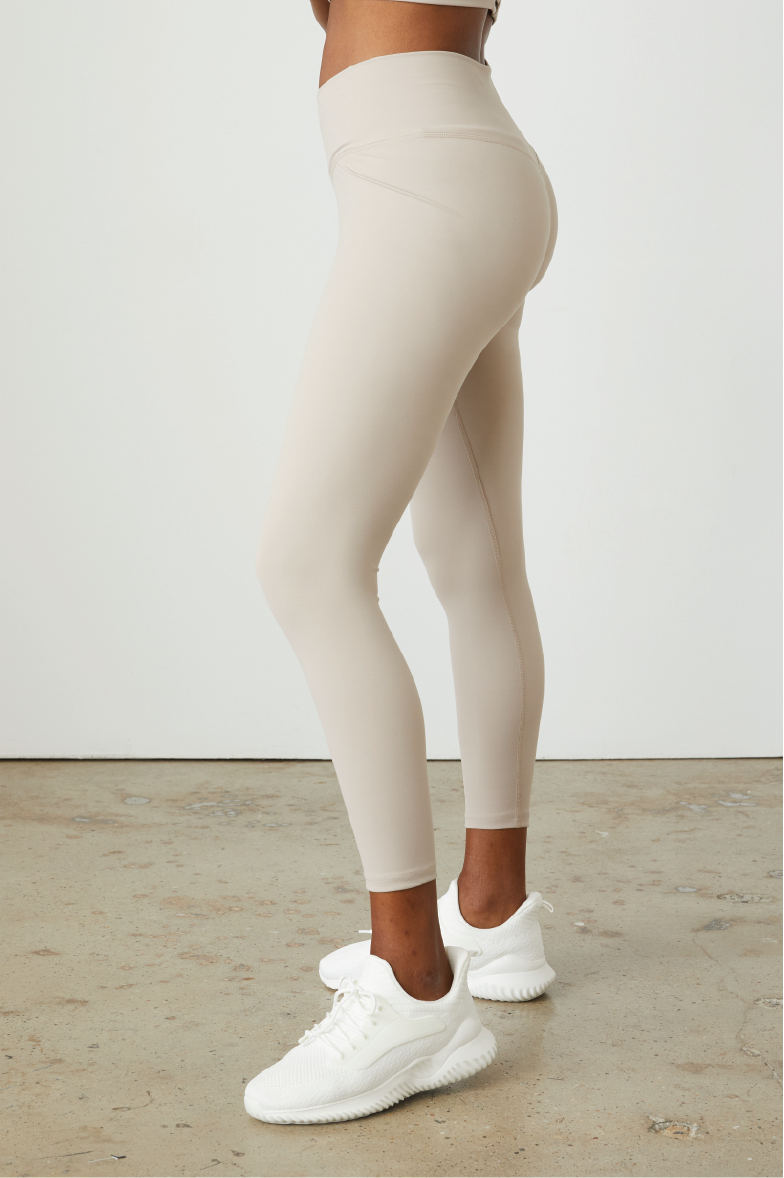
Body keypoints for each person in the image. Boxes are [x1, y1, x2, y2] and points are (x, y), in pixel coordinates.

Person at [245, 0, 558, 1124]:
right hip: (471, 161)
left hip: (420, 175)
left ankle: (413, 981)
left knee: (308, 565)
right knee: (472, 554)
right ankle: (493, 911)